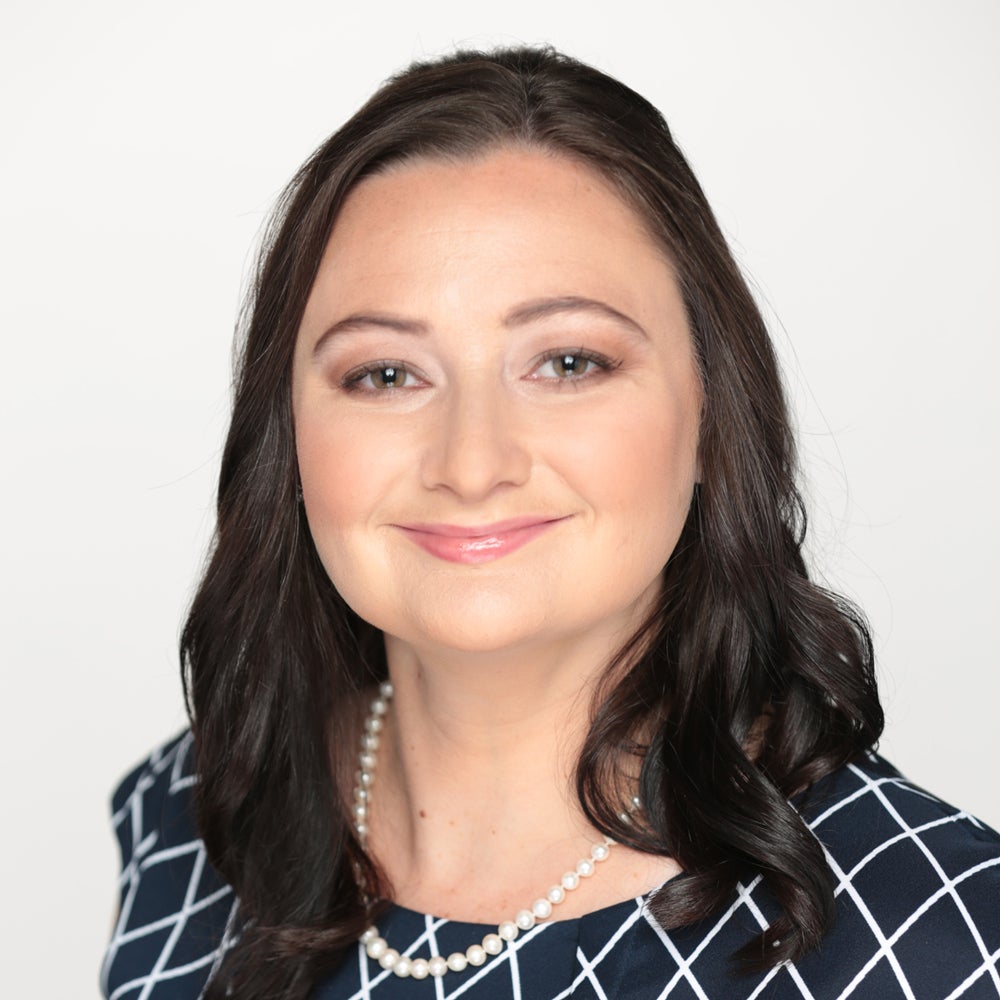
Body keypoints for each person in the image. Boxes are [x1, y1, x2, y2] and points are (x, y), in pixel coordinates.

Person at [101, 46, 1000, 1000]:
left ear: (710, 411)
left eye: (568, 363)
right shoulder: (197, 808)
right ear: (286, 434)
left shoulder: (942, 940)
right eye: (386, 374)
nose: (471, 464)